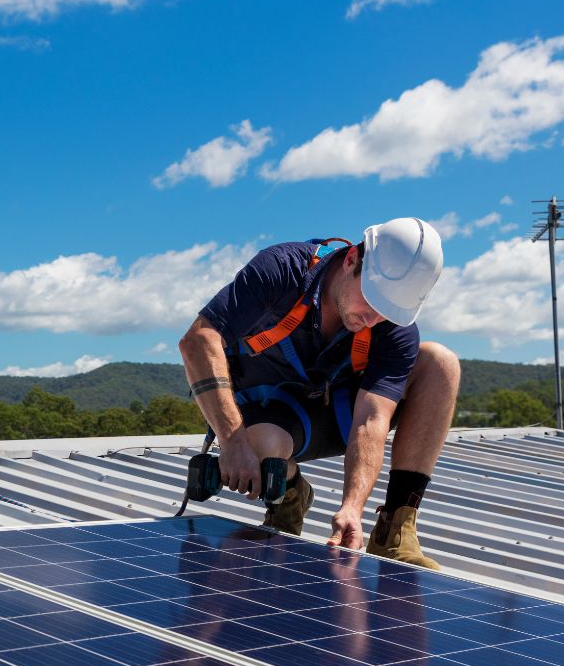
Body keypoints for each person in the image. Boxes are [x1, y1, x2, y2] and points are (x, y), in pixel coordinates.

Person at [178, 217, 461, 569]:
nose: (373, 319)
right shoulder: (281, 270)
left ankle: (395, 529)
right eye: (371, 301)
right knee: (264, 449)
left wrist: (352, 508)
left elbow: (371, 420)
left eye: (386, 312)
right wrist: (232, 442)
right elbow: (198, 339)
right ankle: (291, 492)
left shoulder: (392, 329)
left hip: (338, 413)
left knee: (440, 362)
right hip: (270, 410)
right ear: (351, 260)